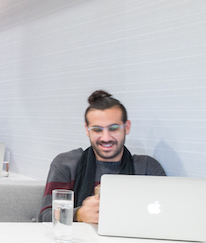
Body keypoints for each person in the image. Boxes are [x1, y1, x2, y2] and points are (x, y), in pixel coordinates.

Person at [39, 90, 165, 223]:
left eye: (113, 128)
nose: (106, 138)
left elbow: (167, 214)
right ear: (87, 130)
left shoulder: (147, 168)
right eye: (97, 129)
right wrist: (78, 215)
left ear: (127, 127)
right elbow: (45, 217)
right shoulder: (66, 164)